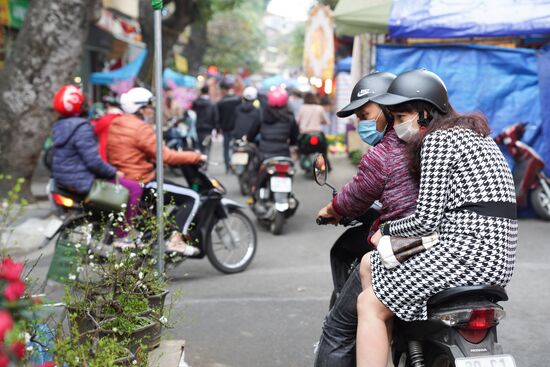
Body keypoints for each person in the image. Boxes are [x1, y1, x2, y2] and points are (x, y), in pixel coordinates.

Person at [355, 69, 517, 366]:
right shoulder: (475, 136)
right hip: (497, 260)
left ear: (426, 112)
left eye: (402, 117)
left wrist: (387, 230)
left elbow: (425, 220)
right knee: (372, 263)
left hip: (464, 255)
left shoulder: (437, 140)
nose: (399, 126)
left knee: (369, 303)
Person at [314, 72, 420, 367]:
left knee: (338, 329)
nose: (363, 122)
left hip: (404, 248)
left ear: (390, 107)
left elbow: (355, 196)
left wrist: (332, 209)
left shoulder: (385, 153)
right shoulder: (432, 143)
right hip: (446, 246)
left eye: (366, 113)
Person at [106, 87, 207, 256]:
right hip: (143, 180)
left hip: (124, 178)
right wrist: (195, 156)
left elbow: (129, 151)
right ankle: (176, 242)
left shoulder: (117, 124)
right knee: (192, 197)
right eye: (149, 107)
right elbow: (166, 156)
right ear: (141, 108)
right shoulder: (140, 128)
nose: (152, 110)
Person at [91, 94, 144, 247]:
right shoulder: (121, 121)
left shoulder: (103, 120)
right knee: (134, 189)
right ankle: (123, 234)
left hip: (104, 162)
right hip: (110, 165)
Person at [247, 88, 299, 194]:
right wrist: (292, 144)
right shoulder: (290, 117)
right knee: (289, 172)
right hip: (283, 154)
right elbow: (295, 137)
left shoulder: (262, 115)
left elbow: (252, 133)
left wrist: (250, 140)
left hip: (264, 153)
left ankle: (254, 190)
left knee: (254, 170)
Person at [217, 80, 241, 172]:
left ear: (223, 90)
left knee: (226, 148)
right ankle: (235, 166)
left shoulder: (221, 102)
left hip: (226, 128)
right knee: (236, 147)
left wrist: (218, 128)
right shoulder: (237, 99)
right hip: (236, 127)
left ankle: (228, 166)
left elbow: (218, 117)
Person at [192, 85, 218, 154]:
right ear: (208, 92)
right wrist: (216, 128)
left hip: (199, 127)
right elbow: (215, 117)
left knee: (200, 146)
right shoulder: (211, 104)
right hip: (208, 128)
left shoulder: (196, 102)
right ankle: (205, 162)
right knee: (207, 147)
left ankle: (201, 161)